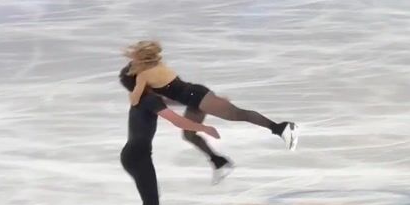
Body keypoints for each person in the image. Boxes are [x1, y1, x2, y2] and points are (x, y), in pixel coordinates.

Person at [118, 65, 224, 205]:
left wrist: (208, 103)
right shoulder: (149, 99)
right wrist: (203, 127)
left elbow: (173, 103)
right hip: (137, 157)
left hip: (135, 155)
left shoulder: (143, 98)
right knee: (151, 203)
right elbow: (177, 121)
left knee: (151, 203)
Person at [125, 41, 298, 149]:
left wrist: (134, 90)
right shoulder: (158, 65)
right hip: (194, 96)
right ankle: (219, 162)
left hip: (197, 98)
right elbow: (172, 94)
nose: (132, 59)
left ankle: (281, 128)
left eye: (135, 56)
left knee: (238, 114)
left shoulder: (144, 75)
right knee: (189, 134)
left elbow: (134, 100)